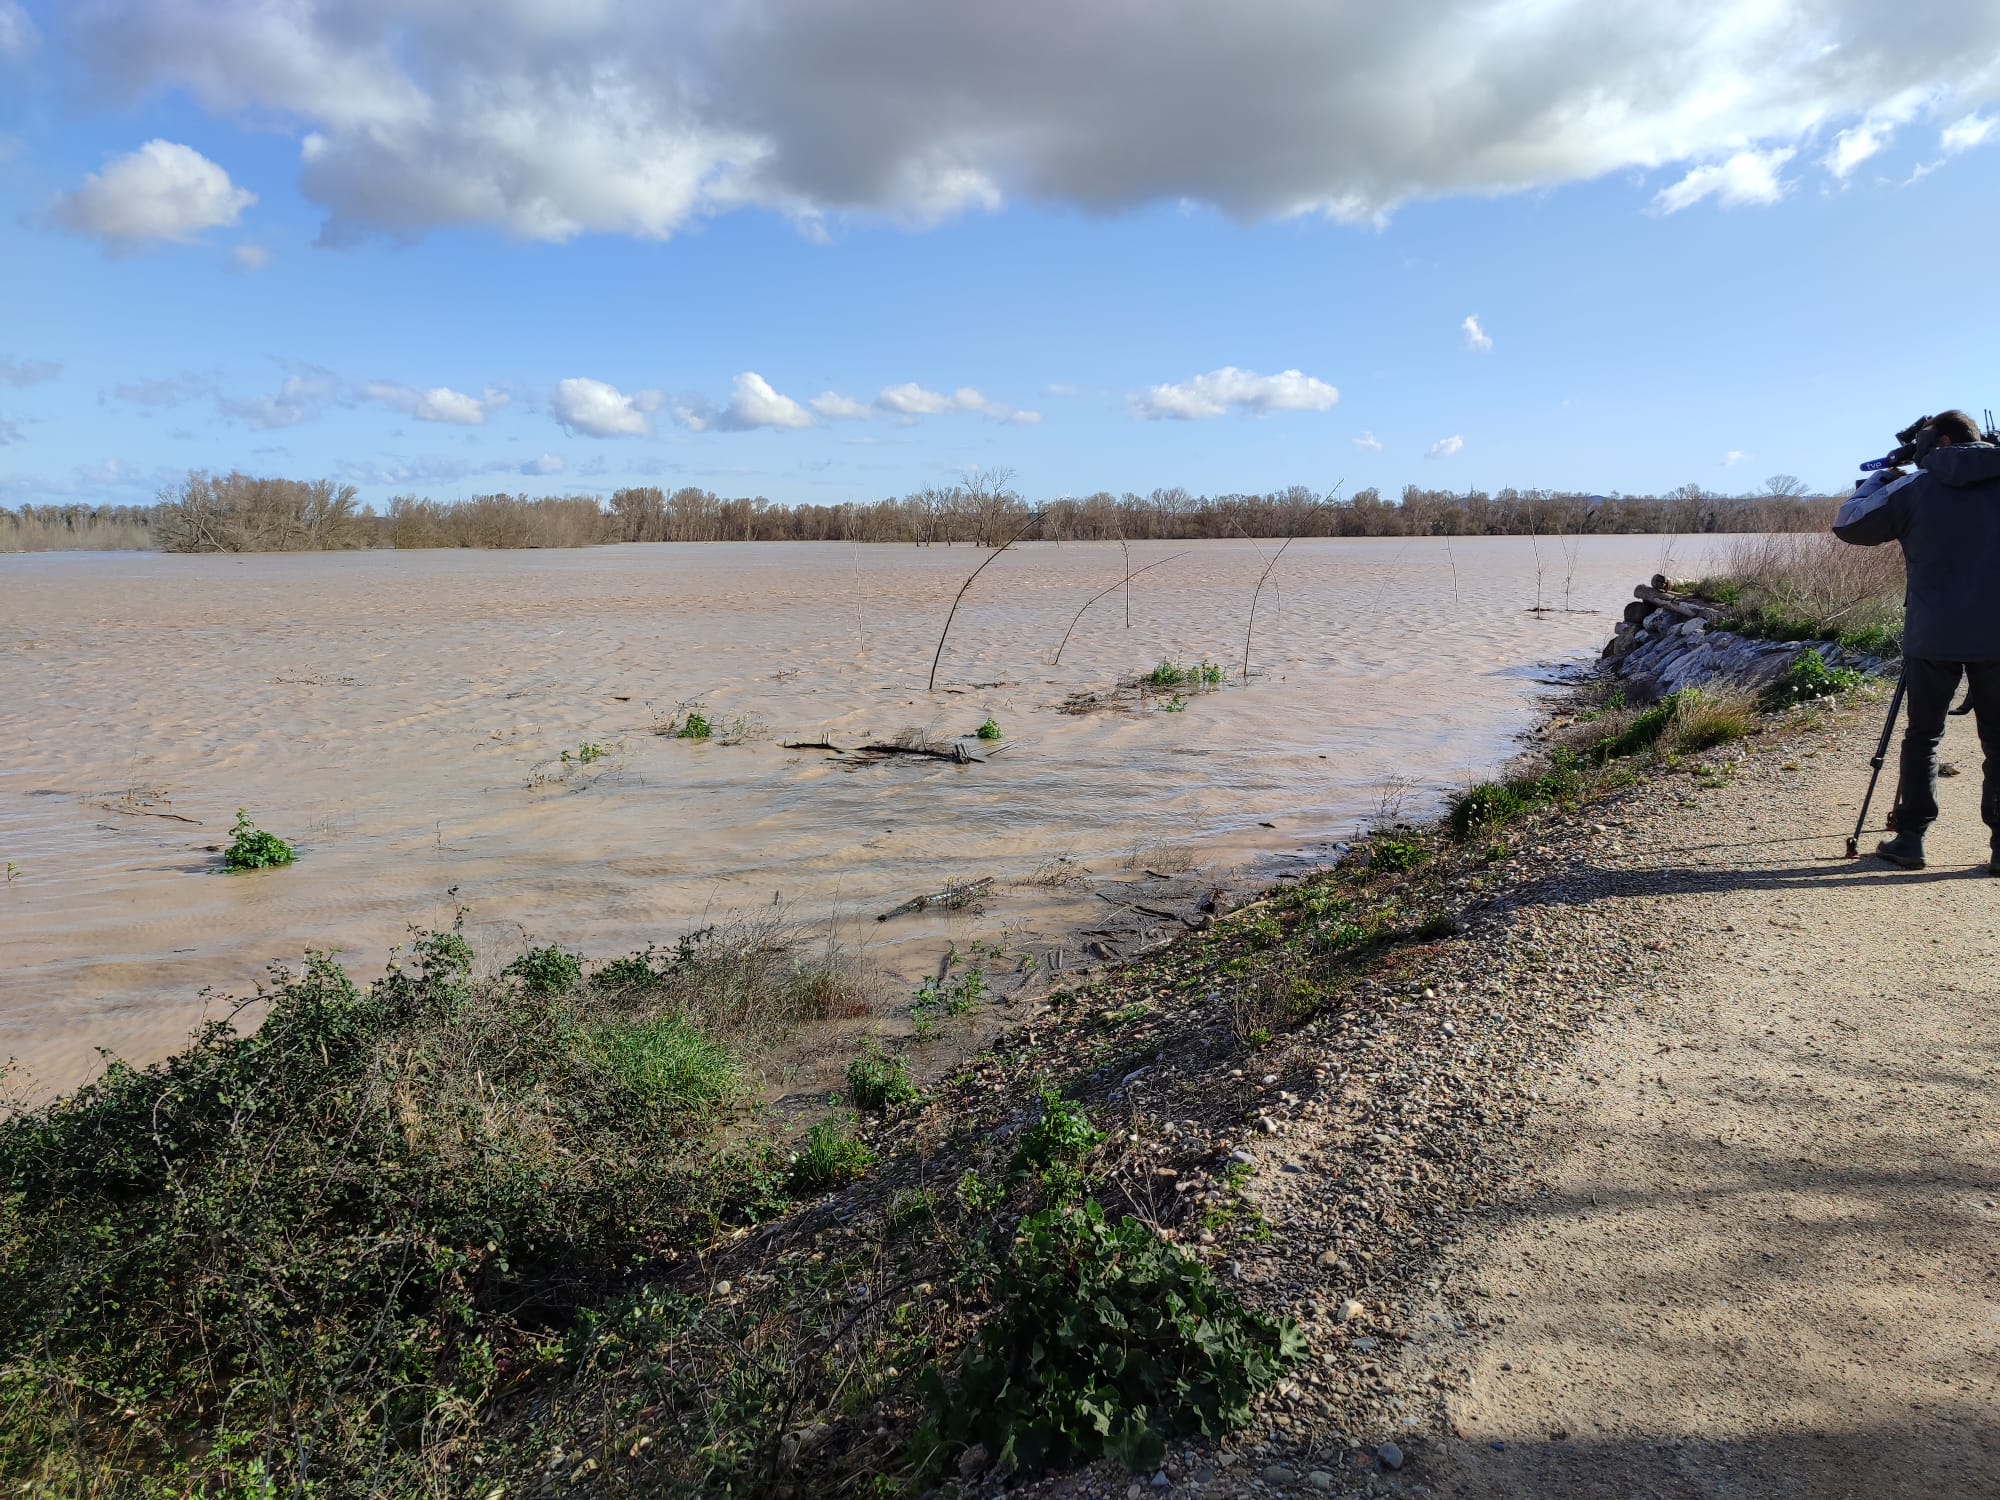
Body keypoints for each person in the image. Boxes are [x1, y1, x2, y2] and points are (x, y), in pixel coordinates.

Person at [1833, 409, 2000, 872]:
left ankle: (1911, 840)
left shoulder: (1916, 486)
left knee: (1923, 737)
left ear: (1941, 442)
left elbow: (1849, 524)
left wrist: (1878, 480)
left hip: (1933, 636)